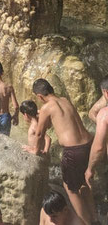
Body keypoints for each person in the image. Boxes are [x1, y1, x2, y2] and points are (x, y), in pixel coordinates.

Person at [31, 78, 95, 225]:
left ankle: (85, 223)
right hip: (88, 145)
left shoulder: (47, 108)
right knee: (84, 183)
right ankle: (95, 219)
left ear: (40, 97)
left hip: (73, 150)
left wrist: (35, 149)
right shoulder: (64, 100)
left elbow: (40, 134)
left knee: (70, 188)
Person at [85, 76, 108, 189]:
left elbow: (98, 147)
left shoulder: (105, 114)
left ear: (105, 92)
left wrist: (90, 169)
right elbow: (92, 113)